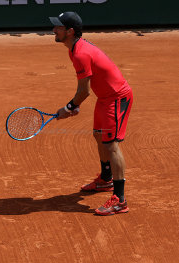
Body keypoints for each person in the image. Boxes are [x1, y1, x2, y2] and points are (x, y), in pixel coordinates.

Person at [49, 11, 133, 216]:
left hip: (117, 98)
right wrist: (74, 106)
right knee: (98, 135)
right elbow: (86, 88)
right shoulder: (74, 49)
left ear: (69, 31)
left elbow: (84, 91)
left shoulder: (79, 53)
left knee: (111, 145)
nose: (54, 30)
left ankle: (120, 200)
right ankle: (106, 179)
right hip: (105, 99)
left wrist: (68, 108)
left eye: (58, 27)